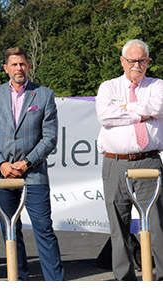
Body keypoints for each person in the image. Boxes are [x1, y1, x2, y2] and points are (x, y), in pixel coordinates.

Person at [0, 47, 64, 281]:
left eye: (23, 64)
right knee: (11, 231)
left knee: (44, 229)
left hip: (33, 175)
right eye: (14, 64)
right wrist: (1, 165)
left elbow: (50, 138)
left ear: (28, 66)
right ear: (6, 68)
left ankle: (55, 282)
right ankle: (19, 281)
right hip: (2, 176)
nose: (19, 68)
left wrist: (27, 163)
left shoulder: (44, 94)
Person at [95, 39, 163, 281]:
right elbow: (105, 116)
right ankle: (124, 280)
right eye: (132, 60)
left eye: (142, 60)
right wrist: (142, 112)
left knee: (157, 224)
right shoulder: (108, 87)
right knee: (118, 225)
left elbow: (159, 105)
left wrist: (124, 109)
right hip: (115, 163)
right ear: (122, 61)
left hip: (149, 162)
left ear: (147, 62)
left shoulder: (158, 86)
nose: (137, 65)